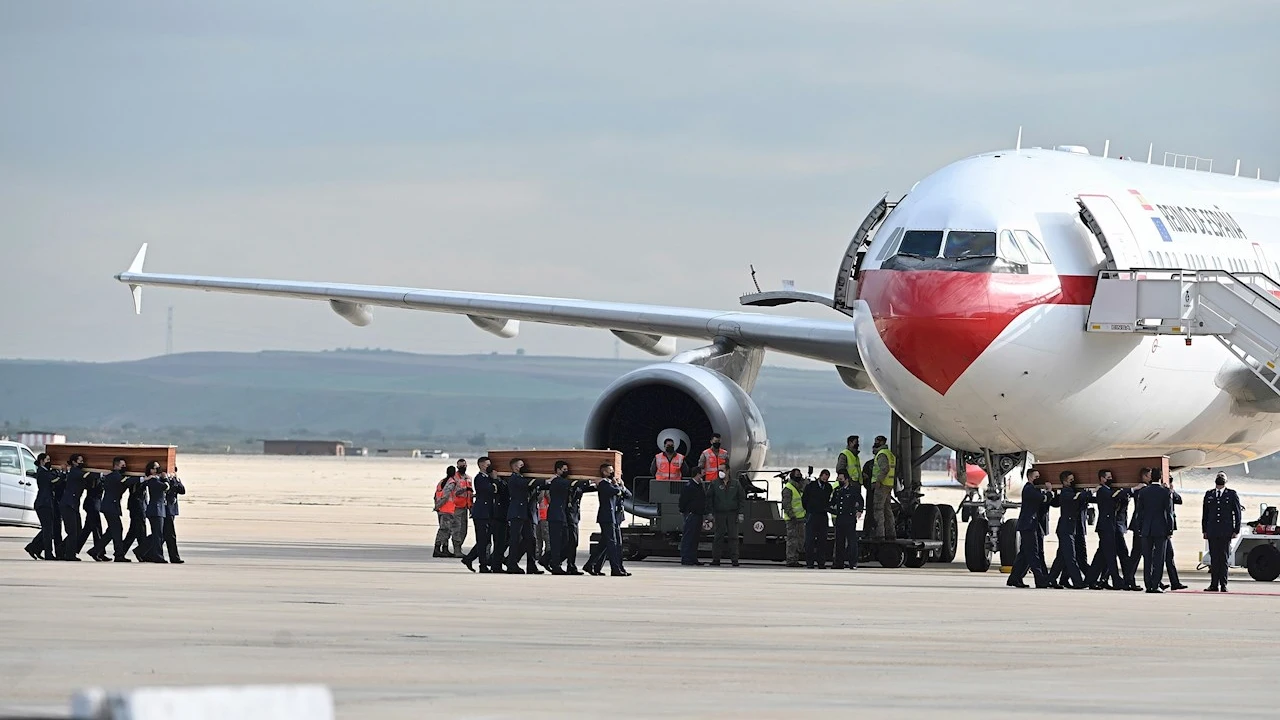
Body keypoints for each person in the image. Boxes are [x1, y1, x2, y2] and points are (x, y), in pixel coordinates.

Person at [1008, 469, 1050, 588]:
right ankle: (1040, 580)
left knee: (1025, 554)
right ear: (1030, 477)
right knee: (1033, 553)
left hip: (1030, 525)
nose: (1038, 478)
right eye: (1036, 476)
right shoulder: (1029, 489)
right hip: (1028, 526)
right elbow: (1043, 499)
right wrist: (1049, 491)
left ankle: (1015, 578)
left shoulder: (1032, 489)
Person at [505, 458, 547, 574]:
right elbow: (529, 484)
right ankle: (511, 564)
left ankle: (531, 565)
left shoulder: (524, 479)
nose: (524, 466)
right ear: (515, 467)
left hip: (527, 513)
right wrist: (547, 480)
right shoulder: (514, 478)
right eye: (521, 465)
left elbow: (536, 486)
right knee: (515, 539)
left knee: (531, 539)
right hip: (517, 513)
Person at [1202, 472, 1242, 592]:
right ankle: (1214, 584)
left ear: (1226, 481)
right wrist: (1204, 530)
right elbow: (1205, 514)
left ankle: (1223, 584)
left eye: (1222, 477)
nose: (1220, 478)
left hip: (1226, 531)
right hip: (1213, 531)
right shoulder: (1209, 494)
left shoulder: (1231, 494)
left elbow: (1237, 513)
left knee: (1223, 558)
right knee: (1214, 558)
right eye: (1219, 476)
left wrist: (1236, 529)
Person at [1137, 468, 1175, 593]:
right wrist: (1170, 529)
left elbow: (1139, 512)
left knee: (1147, 558)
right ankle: (1155, 584)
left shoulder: (1143, 492)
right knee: (1159, 559)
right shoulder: (1165, 492)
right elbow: (1169, 512)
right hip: (1161, 529)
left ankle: (1148, 584)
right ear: (1160, 478)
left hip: (1146, 528)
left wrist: (1140, 528)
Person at [92, 457, 136, 562]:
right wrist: (144, 478)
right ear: (116, 466)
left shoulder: (116, 476)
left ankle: (95, 550)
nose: (124, 467)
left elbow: (123, 484)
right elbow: (126, 481)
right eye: (122, 465)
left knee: (112, 531)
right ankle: (118, 555)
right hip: (110, 507)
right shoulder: (114, 476)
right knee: (117, 530)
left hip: (111, 506)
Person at [1047, 471, 1086, 589]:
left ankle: (1051, 579)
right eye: (1070, 480)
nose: (1073, 482)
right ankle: (1078, 582)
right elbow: (1076, 497)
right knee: (1070, 557)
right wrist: (1089, 492)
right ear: (1064, 482)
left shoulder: (1070, 493)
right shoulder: (1065, 493)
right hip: (1065, 529)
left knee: (1062, 557)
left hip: (1069, 529)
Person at [588, 470, 631, 576]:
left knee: (609, 544)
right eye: (610, 471)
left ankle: (593, 565)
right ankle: (615, 569)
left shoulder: (614, 485)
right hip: (607, 517)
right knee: (612, 544)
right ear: (604, 472)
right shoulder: (604, 484)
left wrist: (622, 486)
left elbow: (629, 495)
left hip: (616, 518)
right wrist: (617, 485)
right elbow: (615, 491)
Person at [461, 457, 496, 573]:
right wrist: (494, 480)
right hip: (481, 513)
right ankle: (482, 565)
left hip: (487, 513)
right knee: (482, 540)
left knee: (485, 540)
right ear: (481, 466)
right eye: (487, 465)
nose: (489, 467)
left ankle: (469, 559)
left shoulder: (487, 478)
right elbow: (490, 490)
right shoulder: (480, 478)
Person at [23, 453, 61, 561]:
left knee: (48, 529)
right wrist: (62, 473)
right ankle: (47, 553)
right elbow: (54, 481)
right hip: (44, 504)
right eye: (48, 459)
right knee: (48, 530)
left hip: (46, 503)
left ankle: (34, 547)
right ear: (41, 461)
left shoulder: (45, 471)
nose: (50, 462)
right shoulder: (42, 472)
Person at [562, 468, 597, 575]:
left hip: (575, 517)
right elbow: (575, 485)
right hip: (568, 517)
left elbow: (586, 488)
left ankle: (570, 565)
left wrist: (600, 483)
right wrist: (590, 480)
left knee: (573, 543)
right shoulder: (567, 484)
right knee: (570, 542)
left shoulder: (577, 487)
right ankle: (551, 560)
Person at [708, 467, 745, 567]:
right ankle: (716, 559)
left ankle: (734, 559)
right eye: (719, 470)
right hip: (719, 514)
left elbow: (741, 499)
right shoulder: (714, 483)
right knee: (718, 536)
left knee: (733, 537)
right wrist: (710, 513)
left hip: (732, 514)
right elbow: (710, 498)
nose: (720, 472)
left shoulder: (736, 484)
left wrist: (741, 513)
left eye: (722, 470)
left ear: (728, 471)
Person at [543, 460, 575, 574]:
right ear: (558, 470)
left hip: (562, 516)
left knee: (566, 542)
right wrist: (589, 481)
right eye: (564, 470)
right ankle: (556, 566)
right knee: (556, 543)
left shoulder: (562, 481)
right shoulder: (556, 481)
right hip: (555, 516)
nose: (567, 472)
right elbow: (569, 484)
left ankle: (546, 559)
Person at [58, 454, 91, 561]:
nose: (82, 463)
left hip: (73, 505)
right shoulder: (74, 472)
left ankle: (61, 549)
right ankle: (69, 555)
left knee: (77, 530)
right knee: (72, 531)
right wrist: (101, 473)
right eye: (80, 461)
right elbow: (87, 476)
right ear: (74, 462)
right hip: (68, 505)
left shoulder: (76, 472)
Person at [829, 469, 864, 569]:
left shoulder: (853, 490)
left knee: (852, 541)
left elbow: (860, 501)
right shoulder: (837, 491)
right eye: (838, 479)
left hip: (849, 518)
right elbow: (832, 503)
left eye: (841, 479)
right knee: (839, 541)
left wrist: (859, 511)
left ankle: (853, 562)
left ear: (846, 479)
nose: (839, 481)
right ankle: (839, 563)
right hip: (839, 518)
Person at [1160, 470, 1187, 591]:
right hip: (1160, 529)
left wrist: (1171, 490)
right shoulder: (1159, 492)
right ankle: (1158, 581)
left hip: (1167, 530)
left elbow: (1179, 500)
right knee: (1158, 557)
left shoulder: (1169, 492)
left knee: (1169, 556)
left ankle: (1174, 582)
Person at [803, 469, 833, 569]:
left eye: (827, 478)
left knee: (822, 541)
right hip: (812, 514)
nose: (825, 479)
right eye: (824, 477)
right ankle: (810, 562)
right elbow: (805, 499)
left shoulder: (828, 487)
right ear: (820, 476)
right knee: (810, 540)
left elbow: (829, 500)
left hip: (823, 515)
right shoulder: (811, 486)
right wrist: (809, 509)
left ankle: (821, 562)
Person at [141, 462, 170, 563]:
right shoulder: (152, 480)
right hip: (155, 510)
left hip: (158, 509)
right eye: (155, 468)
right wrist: (165, 478)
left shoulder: (156, 479)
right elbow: (165, 487)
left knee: (157, 534)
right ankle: (157, 556)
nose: (158, 469)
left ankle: (143, 551)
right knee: (158, 534)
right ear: (151, 470)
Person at [869, 436, 896, 540]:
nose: (875, 443)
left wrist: (878, 481)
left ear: (881, 442)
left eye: (877, 441)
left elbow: (884, 469)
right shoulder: (889, 454)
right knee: (887, 509)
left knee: (878, 509)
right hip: (888, 485)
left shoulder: (882, 454)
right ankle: (891, 533)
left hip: (882, 485)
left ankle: (880, 534)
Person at [78, 464, 106, 561]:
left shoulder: (102, 476)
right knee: (97, 529)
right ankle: (98, 552)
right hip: (91, 505)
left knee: (87, 530)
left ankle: (68, 549)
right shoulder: (92, 475)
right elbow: (89, 485)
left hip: (95, 505)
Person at [678, 473, 707, 566]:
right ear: (697, 475)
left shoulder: (698, 486)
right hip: (691, 514)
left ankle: (693, 557)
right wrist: (683, 511)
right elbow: (683, 500)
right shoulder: (689, 486)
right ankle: (686, 558)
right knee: (688, 536)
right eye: (701, 475)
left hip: (698, 514)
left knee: (695, 537)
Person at [122, 465, 149, 561]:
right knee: (141, 529)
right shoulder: (134, 476)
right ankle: (142, 552)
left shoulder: (143, 477)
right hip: (136, 505)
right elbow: (129, 482)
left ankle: (121, 552)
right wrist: (143, 478)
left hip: (141, 504)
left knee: (133, 531)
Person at [781, 468, 807, 567]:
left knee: (800, 540)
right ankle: (791, 559)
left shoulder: (799, 487)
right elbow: (786, 504)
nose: (799, 476)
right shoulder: (788, 488)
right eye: (797, 474)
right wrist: (792, 516)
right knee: (792, 540)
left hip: (800, 517)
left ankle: (795, 559)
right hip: (792, 519)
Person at [162, 465, 186, 564]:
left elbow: (182, 490)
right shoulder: (165, 480)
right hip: (166, 510)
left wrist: (176, 479)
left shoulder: (175, 480)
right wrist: (169, 480)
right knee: (170, 535)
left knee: (163, 535)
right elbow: (167, 490)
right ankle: (174, 557)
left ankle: (142, 549)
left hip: (172, 509)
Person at [433, 467, 458, 558]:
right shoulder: (451, 483)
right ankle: (438, 548)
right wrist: (438, 505)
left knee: (446, 529)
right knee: (444, 530)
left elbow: (436, 495)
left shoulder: (442, 482)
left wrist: (437, 506)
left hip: (442, 510)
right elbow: (446, 496)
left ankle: (444, 548)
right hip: (447, 509)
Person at [451, 459, 472, 557]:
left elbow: (470, 493)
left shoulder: (468, 478)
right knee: (457, 529)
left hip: (465, 507)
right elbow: (452, 492)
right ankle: (457, 549)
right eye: (460, 466)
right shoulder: (454, 478)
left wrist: (471, 506)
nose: (463, 467)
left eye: (464, 465)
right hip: (456, 507)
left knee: (464, 530)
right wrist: (463, 490)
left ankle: (459, 547)